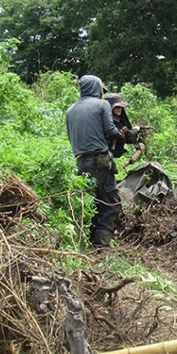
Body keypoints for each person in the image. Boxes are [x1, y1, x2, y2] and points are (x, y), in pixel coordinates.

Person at [66, 75, 123, 248]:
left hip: (80, 162)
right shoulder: (102, 104)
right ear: (96, 87)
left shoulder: (70, 110)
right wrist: (122, 135)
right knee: (111, 202)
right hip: (100, 160)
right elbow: (111, 131)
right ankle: (101, 245)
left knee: (91, 200)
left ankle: (86, 241)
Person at [104, 93, 140, 159]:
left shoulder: (120, 118)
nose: (119, 109)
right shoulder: (108, 121)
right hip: (106, 152)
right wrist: (135, 130)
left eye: (121, 107)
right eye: (117, 107)